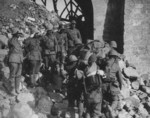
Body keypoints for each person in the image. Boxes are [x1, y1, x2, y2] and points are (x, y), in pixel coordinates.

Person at [102, 49, 123, 117]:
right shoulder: (116, 66)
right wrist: (120, 87)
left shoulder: (104, 63)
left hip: (103, 85)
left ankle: (105, 112)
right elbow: (120, 78)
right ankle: (111, 108)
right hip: (113, 85)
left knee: (105, 100)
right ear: (115, 57)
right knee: (115, 100)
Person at [83, 54, 102, 118]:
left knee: (88, 110)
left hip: (88, 95)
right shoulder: (97, 68)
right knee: (96, 112)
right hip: (96, 94)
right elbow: (100, 81)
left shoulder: (85, 69)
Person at [7, 27, 24, 95]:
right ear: (15, 34)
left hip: (19, 59)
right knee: (13, 75)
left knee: (18, 75)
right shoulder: (12, 40)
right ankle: (12, 90)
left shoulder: (17, 40)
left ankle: (17, 89)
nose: (19, 35)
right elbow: (11, 45)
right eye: (18, 34)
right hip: (14, 59)